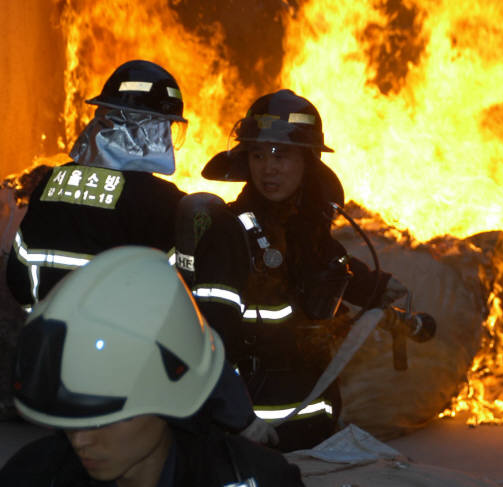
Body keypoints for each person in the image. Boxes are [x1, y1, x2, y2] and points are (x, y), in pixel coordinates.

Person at [177, 89, 408, 451]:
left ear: (307, 160)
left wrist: (383, 288)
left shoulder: (308, 229)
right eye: (258, 154)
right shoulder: (229, 233)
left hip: (316, 434)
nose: (268, 167)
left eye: (281, 155)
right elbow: (207, 340)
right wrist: (238, 419)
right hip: (256, 438)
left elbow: (330, 269)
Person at [0, 245, 305, 486]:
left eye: (105, 417)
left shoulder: (258, 478)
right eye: (73, 417)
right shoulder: (32, 476)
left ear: (174, 395)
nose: (80, 439)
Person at [6, 59, 188, 312]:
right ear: (147, 130)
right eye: (166, 127)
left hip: (46, 335)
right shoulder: (164, 201)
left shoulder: (52, 181)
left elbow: (18, 277)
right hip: (122, 346)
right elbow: (178, 293)